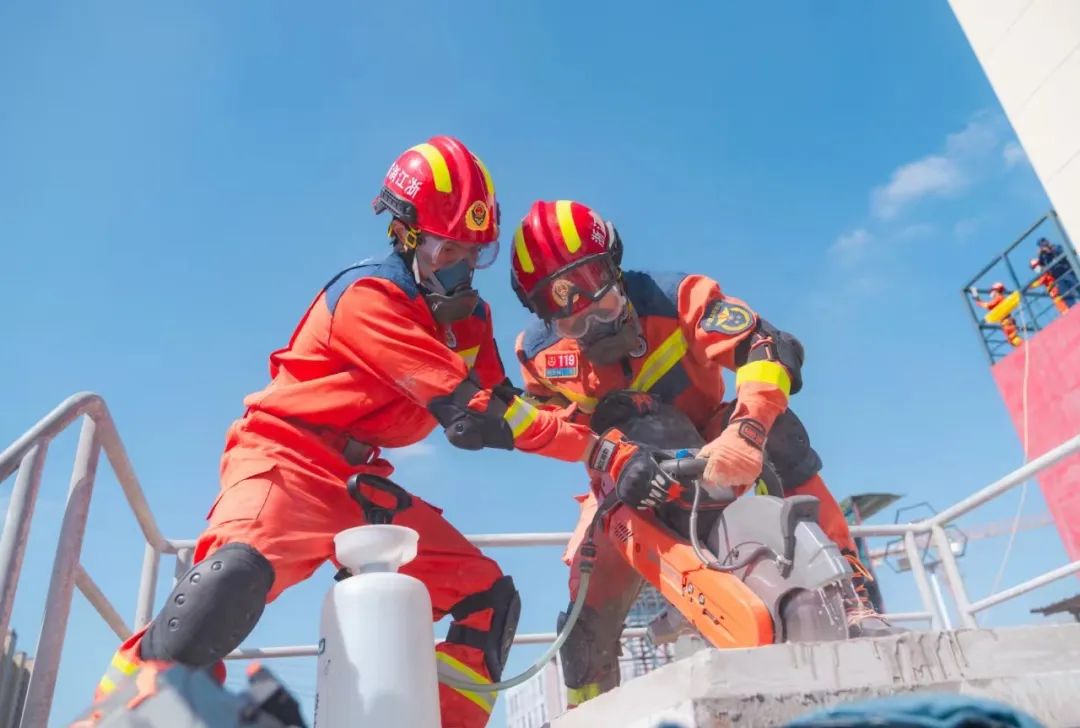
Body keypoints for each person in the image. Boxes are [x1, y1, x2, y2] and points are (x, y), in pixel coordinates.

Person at [87, 139, 666, 728]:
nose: (461, 268)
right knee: (223, 588)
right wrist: (601, 452)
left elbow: (508, 402)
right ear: (406, 235)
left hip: (359, 482)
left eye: (474, 254)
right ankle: (113, 718)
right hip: (285, 459)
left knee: (487, 601)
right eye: (447, 250)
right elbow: (472, 413)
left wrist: (614, 440)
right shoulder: (370, 299)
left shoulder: (469, 318)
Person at [507, 199, 896, 708]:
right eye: (575, 325)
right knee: (586, 627)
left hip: (712, 439)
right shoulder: (537, 354)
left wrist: (748, 432)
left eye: (601, 308)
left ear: (615, 270)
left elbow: (766, 346)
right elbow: (551, 427)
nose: (594, 330)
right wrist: (610, 458)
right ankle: (586, 707)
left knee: (780, 432)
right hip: (619, 476)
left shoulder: (679, 297)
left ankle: (851, 596)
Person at [971, 282, 1022, 347]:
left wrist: (978, 300)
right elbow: (992, 307)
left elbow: (989, 306)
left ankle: (1024, 346)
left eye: (992, 290)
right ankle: (1023, 346)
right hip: (1007, 321)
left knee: (1013, 339)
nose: (991, 292)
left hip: (1006, 322)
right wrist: (978, 300)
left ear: (996, 290)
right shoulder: (1001, 298)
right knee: (1012, 339)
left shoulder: (999, 297)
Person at [1036, 237, 1077, 308]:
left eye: (1044, 241)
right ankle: (1074, 309)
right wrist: (1039, 255)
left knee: (1077, 284)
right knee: (1066, 295)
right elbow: (1041, 266)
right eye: (1041, 244)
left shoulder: (1056, 247)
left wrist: (1050, 250)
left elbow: (1061, 253)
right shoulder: (1043, 256)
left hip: (1067, 272)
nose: (1043, 244)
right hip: (1058, 278)